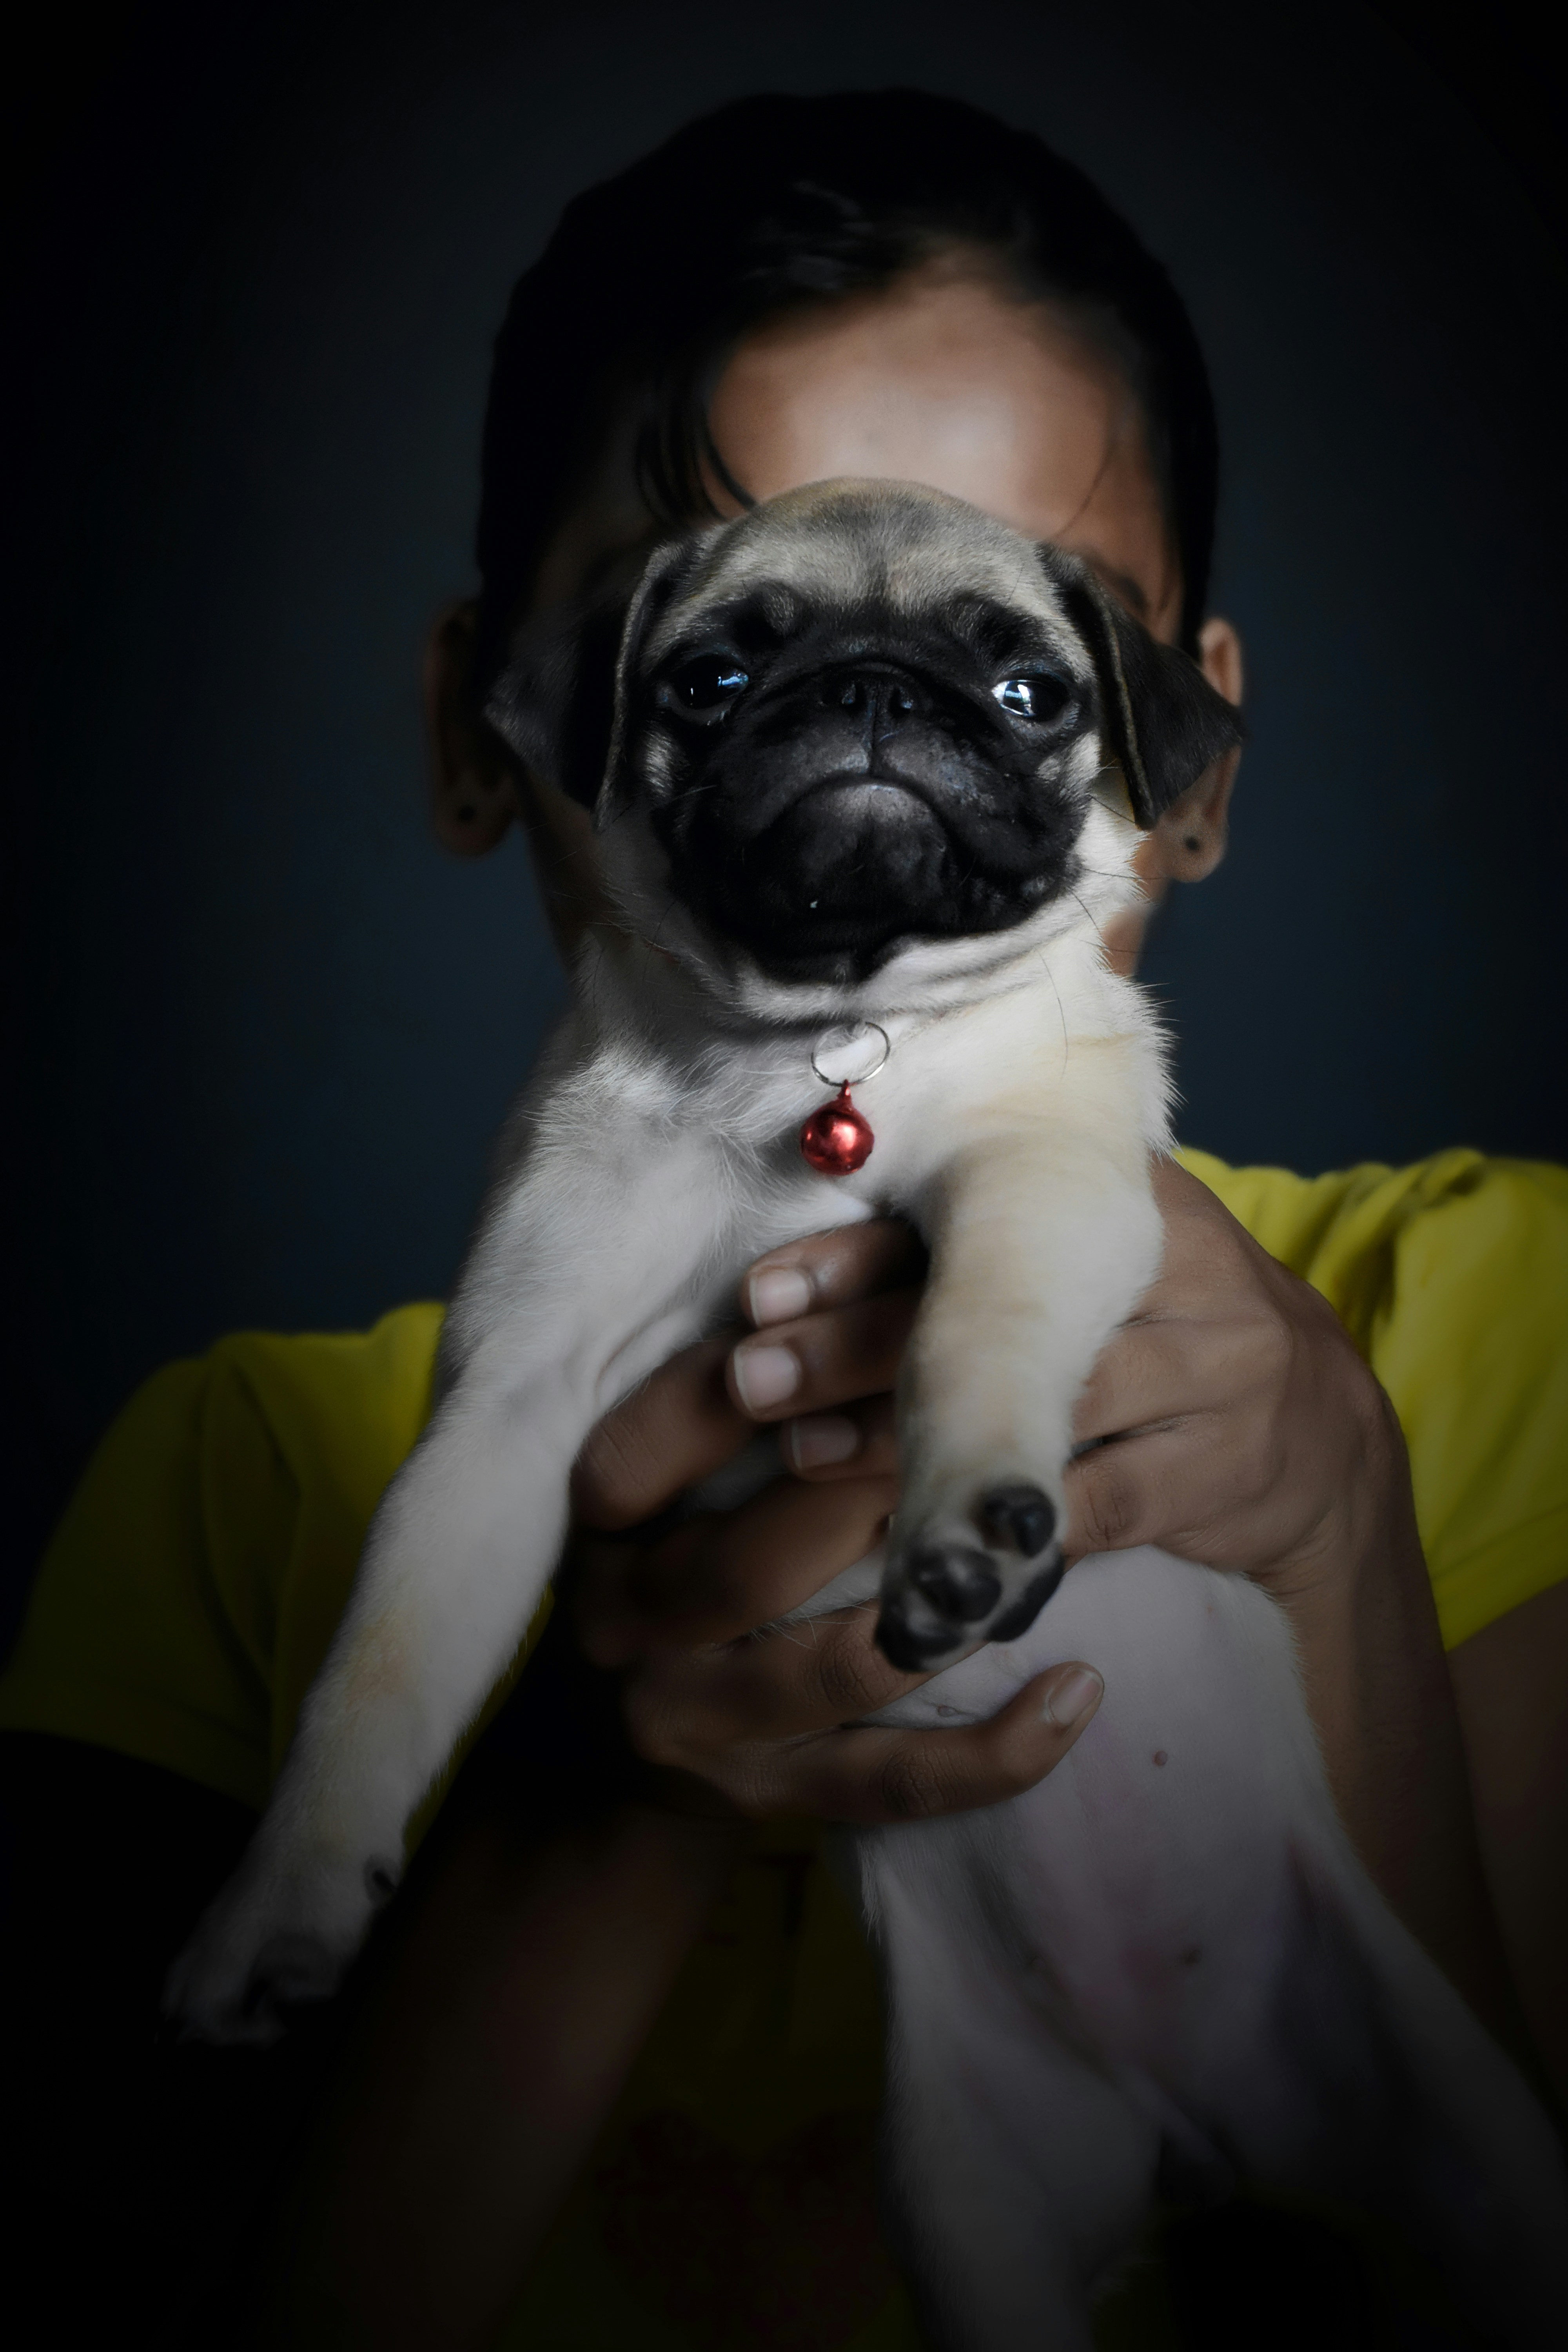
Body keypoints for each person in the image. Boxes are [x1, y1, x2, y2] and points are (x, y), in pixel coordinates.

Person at [2, 90, 1565, 2352]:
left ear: (1180, 767)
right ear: (508, 728)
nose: (876, 717)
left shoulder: (1487, 1318)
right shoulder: (227, 1501)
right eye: (729, 662)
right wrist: (567, 1803)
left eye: (1014, 676)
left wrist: (1348, 1538)